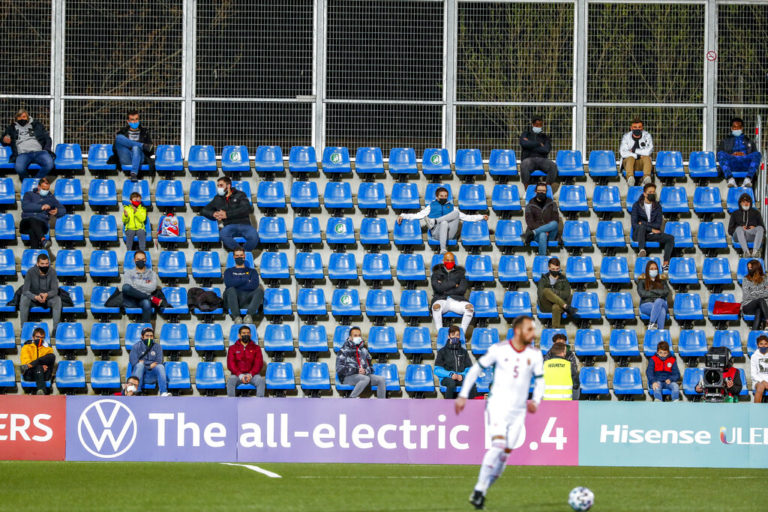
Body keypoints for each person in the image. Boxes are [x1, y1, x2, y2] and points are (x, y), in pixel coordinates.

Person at [455, 316, 544, 511]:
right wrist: (462, 395)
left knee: (505, 456)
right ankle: (479, 489)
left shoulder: (536, 355)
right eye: (530, 329)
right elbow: (475, 369)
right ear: (519, 331)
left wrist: (536, 400)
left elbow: (540, 381)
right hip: (497, 406)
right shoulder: (499, 349)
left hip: (519, 410)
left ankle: (480, 493)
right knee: (498, 445)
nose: (534, 333)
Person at [396, 186, 487, 254]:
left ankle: (434, 221)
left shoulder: (451, 207)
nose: (443, 197)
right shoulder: (431, 206)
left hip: (449, 234)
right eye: (441, 196)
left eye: (445, 196)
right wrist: (403, 215)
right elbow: (418, 215)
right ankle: (443, 249)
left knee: (456, 214)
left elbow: (467, 217)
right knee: (443, 222)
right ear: (437, 196)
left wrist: (482, 216)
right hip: (437, 233)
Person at [201, 176, 259, 251]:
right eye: (218, 186)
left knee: (254, 237)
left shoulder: (240, 195)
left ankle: (242, 253)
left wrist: (227, 214)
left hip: (244, 225)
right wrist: (213, 214)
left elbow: (246, 209)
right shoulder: (217, 198)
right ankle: (239, 252)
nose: (219, 188)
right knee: (223, 234)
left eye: (221, 185)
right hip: (230, 226)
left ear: (228, 186)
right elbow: (204, 210)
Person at [631, 182, 674, 273]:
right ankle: (641, 250)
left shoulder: (657, 206)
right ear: (644, 194)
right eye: (650, 192)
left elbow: (658, 225)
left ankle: (666, 264)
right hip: (639, 234)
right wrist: (650, 229)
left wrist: (643, 223)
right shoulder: (636, 205)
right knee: (641, 227)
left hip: (652, 235)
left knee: (670, 238)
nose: (652, 194)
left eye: (653, 192)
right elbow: (634, 224)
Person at [1, 109, 54, 180]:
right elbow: (3, 138)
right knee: (19, 168)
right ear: (16, 118)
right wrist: (4, 140)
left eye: (24, 117)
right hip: (23, 154)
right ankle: (28, 182)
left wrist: (46, 150)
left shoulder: (37, 125)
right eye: (19, 117)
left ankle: (35, 181)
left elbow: (47, 138)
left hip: (39, 152)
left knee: (49, 164)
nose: (22, 119)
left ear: (28, 117)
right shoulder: (11, 128)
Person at [336, 326, 387, 399]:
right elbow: (340, 369)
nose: (358, 337)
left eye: (359, 335)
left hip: (363, 375)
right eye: (355, 335)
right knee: (365, 379)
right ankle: (351, 399)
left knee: (381, 379)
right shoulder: (343, 351)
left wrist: (365, 371)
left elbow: (371, 368)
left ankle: (382, 404)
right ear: (350, 337)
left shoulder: (364, 350)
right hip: (348, 377)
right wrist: (356, 370)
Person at [431, 252, 473, 333]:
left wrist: (444, 287)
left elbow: (462, 289)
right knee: (436, 307)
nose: (449, 262)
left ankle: (462, 333)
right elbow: (437, 288)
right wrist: (454, 284)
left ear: (454, 261)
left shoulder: (460, 273)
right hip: (441, 299)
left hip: (457, 300)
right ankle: (441, 333)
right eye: (447, 260)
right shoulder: (436, 273)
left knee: (470, 308)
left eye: (451, 260)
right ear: (443, 261)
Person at [20, 176, 65, 251]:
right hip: (26, 223)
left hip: (41, 224)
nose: (46, 191)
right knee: (32, 220)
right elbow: (25, 206)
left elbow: (63, 210)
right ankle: (43, 240)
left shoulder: (51, 198)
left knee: (32, 230)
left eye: (47, 189)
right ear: (38, 187)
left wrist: (57, 211)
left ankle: (35, 252)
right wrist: (41, 207)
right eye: (44, 189)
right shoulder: (29, 194)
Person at [20, 253, 61, 333]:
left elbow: (55, 290)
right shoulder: (30, 272)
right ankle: (24, 329)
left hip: (47, 299)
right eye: (42, 264)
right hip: (34, 299)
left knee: (57, 300)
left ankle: (56, 330)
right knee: (24, 298)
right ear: (37, 264)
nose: (44, 266)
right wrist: (35, 297)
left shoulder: (52, 272)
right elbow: (25, 290)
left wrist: (47, 295)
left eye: (46, 263)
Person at [435, 325, 477, 399]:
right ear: (449, 336)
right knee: (451, 383)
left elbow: (469, 369)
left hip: (460, 377)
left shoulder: (463, 352)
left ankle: (470, 407)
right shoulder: (442, 351)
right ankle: (448, 407)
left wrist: (462, 375)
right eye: (453, 334)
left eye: (457, 335)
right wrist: (450, 374)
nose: (455, 337)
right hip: (447, 378)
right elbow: (437, 370)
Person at [122, 250, 165, 324]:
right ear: (134, 260)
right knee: (125, 287)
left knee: (147, 303)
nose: (140, 261)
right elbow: (128, 287)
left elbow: (152, 288)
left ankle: (146, 329)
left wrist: (135, 284)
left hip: (143, 300)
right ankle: (151, 298)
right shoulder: (128, 273)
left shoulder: (152, 274)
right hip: (131, 300)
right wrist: (144, 285)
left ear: (145, 260)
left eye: (142, 259)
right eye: (138, 259)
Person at [717, 117, 761, 188]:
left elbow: (753, 154)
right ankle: (730, 179)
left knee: (757, 154)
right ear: (731, 128)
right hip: (732, 163)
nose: (736, 129)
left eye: (738, 127)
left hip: (745, 163)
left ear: (742, 128)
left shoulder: (749, 141)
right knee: (720, 154)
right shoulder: (725, 141)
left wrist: (744, 154)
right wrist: (732, 154)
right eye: (734, 127)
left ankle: (748, 179)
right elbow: (719, 155)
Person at [223, 248, 264, 324]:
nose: (239, 257)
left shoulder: (252, 271)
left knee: (260, 291)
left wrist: (236, 282)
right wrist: (246, 280)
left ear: (244, 256)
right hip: (234, 299)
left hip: (248, 299)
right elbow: (229, 284)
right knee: (231, 290)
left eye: (241, 255)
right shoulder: (228, 271)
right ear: (234, 257)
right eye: (237, 255)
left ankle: (249, 315)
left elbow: (254, 285)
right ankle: (237, 317)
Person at [113, 110, 154, 182]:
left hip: (140, 158)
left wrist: (137, 147)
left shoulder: (145, 132)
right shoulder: (122, 132)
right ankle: (141, 145)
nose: (135, 122)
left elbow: (150, 150)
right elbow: (115, 149)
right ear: (128, 121)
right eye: (132, 120)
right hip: (127, 157)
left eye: (136, 119)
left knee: (136, 148)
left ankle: (134, 173)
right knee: (119, 137)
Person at [519, 116, 559, 191]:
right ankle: (527, 190)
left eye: (540, 125)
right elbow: (524, 144)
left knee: (553, 166)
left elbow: (546, 149)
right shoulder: (525, 134)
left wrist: (530, 144)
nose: (538, 126)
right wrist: (539, 144)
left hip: (542, 159)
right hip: (529, 159)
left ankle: (546, 189)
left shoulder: (545, 137)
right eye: (536, 125)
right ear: (532, 124)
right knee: (524, 165)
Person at [129, 327, 170, 396]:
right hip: (138, 377)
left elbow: (159, 361)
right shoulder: (136, 347)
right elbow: (134, 362)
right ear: (142, 336)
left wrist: (143, 363)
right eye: (147, 336)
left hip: (152, 377)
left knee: (160, 367)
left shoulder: (158, 347)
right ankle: (137, 392)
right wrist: (149, 365)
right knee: (139, 365)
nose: (149, 338)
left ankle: (163, 392)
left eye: (151, 336)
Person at [226, 325, 266, 397]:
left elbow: (258, 364)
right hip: (237, 375)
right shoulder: (232, 348)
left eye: (248, 333)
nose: (246, 335)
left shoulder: (256, 348)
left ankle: (260, 404)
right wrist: (240, 375)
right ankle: (231, 404)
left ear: (250, 335)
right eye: (244, 333)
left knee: (260, 381)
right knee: (231, 380)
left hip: (253, 375)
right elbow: (231, 364)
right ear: (239, 335)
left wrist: (250, 374)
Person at [537, 257, 576, 329]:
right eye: (553, 269)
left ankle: (555, 332)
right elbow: (540, 294)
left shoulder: (563, 278)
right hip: (546, 305)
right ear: (549, 268)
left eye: (557, 269)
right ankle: (566, 307)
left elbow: (567, 294)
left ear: (559, 268)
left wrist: (554, 293)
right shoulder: (543, 279)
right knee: (546, 291)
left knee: (556, 307)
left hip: (558, 305)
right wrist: (552, 293)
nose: (555, 271)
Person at [523, 181, 560, 255]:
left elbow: (556, 219)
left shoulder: (552, 204)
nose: (541, 193)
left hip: (550, 234)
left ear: (546, 192)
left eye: (543, 191)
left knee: (554, 223)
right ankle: (542, 259)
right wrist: (543, 230)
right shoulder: (529, 205)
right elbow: (530, 222)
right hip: (538, 235)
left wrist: (547, 230)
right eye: (539, 191)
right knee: (542, 234)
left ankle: (534, 232)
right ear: (535, 191)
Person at [636, 260, 671, 330]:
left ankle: (652, 323)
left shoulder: (662, 280)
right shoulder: (642, 281)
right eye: (651, 269)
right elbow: (642, 294)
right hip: (646, 304)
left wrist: (651, 291)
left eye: (655, 269)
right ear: (647, 270)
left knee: (659, 301)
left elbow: (667, 292)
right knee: (662, 310)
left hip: (662, 302)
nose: (654, 270)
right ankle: (660, 331)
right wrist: (658, 293)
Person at [619, 117, 654, 187]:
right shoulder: (626, 137)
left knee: (647, 158)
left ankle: (647, 179)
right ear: (631, 128)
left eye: (639, 127)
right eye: (635, 127)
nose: (637, 129)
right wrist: (637, 155)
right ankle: (630, 179)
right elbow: (623, 152)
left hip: (642, 163)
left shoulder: (647, 136)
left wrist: (635, 150)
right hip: (629, 164)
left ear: (642, 128)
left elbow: (649, 151)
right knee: (630, 158)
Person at [543, 335, 580, 400]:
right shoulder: (569, 365)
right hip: (566, 400)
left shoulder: (544, 365)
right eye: (559, 343)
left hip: (547, 400)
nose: (561, 345)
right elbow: (576, 385)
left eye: (563, 343)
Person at [728, 193, 765, 258]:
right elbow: (730, 230)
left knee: (760, 228)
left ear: (750, 203)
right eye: (743, 202)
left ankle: (755, 252)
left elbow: (763, 229)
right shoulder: (735, 213)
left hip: (751, 234)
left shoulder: (756, 213)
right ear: (740, 203)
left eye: (748, 202)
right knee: (739, 228)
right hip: (738, 235)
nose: (746, 203)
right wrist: (740, 228)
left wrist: (755, 227)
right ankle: (746, 252)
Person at [20, 327, 55, 395]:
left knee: (52, 356)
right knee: (38, 368)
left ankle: (35, 365)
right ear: (33, 337)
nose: (40, 339)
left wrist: (35, 364)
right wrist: (40, 366)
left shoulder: (47, 349)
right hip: (30, 374)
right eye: (37, 337)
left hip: (43, 373)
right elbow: (25, 361)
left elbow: (49, 361)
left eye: (42, 337)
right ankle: (42, 390)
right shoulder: (26, 347)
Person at [741, 259, 768, 331]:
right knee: (761, 300)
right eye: (748, 267)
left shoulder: (765, 279)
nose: (748, 269)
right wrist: (763, 291)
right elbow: (747, 296)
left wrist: (753, 292)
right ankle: (767, 321)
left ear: (756, 268)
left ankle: (753, 334)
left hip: (762, 306)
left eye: (750, 267)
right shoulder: (745, 279)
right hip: (748, 306)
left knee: (759, 310)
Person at [750, 334, 768, 404]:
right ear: (758, 345)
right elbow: (753, 374)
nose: (763, 346)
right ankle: (756, 411)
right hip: (758, 381)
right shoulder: (754, 357)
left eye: (766, 344)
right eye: (761, 344)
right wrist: (763, 381)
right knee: (760, 386)